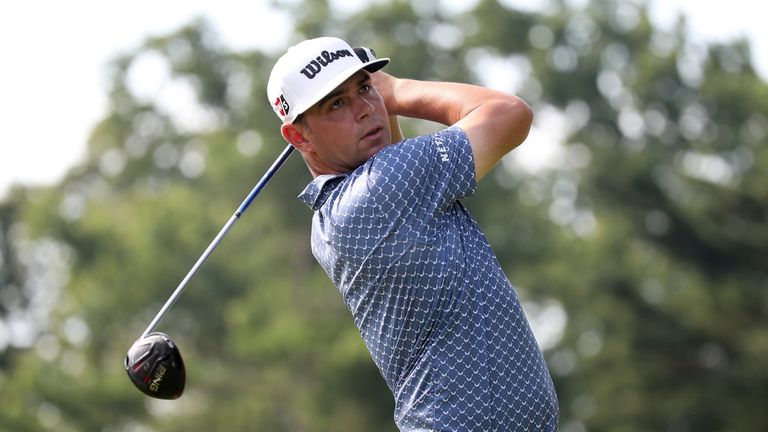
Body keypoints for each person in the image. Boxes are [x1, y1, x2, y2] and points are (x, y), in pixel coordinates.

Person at [267, 36, 559, 431]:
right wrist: (395, 90)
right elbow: (509, 113)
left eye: (364, 88)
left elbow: (399, 168)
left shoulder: (337, 211)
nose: (364, 109)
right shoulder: (380, 188)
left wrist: (380, 108)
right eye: (336, 104)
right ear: (299, 137)